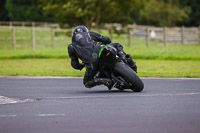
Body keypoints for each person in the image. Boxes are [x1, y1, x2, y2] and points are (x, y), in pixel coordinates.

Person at [68, 25, 137, 89]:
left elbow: (75, 65)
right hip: (101, 52)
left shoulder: (71, 47)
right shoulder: (90, 34)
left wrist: (82, 65)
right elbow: (107, 40)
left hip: (92, 65)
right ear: (85, 31)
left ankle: (105, 81)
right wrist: (102, 42)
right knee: (117, 45)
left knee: (86, 82)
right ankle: (125, 57)